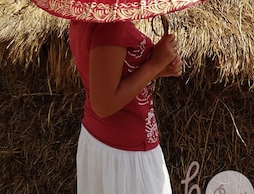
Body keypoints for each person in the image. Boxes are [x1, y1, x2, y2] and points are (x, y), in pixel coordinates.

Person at [69, 19, 183, 194]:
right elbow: (104, 104)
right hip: (125, 157)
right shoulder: (112, 26)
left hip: (104, 145)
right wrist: (153, 65)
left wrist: (158, 69)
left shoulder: (87, 16)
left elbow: (109, 76)